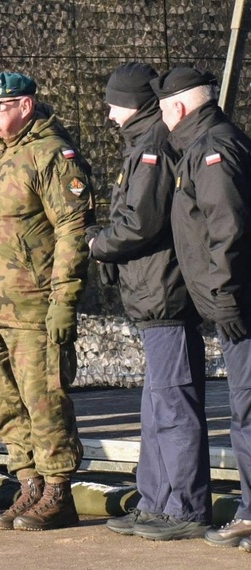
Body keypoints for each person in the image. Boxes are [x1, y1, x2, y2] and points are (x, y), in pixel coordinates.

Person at [0, 72, 93, 531]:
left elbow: (73, 232)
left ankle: (58, 491)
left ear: (26, 106)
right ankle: (29, 483)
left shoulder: (52, 155)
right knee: (3, 405)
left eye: (1, 105)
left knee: (44, 400)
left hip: (32, 308)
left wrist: (63, 300)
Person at [88, 63, 211, 541]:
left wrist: (99, 243)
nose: (108, 113)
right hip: (149, 293)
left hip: (164, 294)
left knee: (174, 404)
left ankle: (184, 506)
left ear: (135, 103)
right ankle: (156, 501)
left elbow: (141, 220)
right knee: (158, 406)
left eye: (115, 103)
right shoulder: (143, 144)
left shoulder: (153, 146)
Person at [149, 67, 251, 550]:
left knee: (248, 410)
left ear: (180, 107)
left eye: (164, 108)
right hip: (233, 303)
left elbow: (226, 226)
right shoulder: (203, 144)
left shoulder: (214, 149)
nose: (161, 117)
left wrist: (226, 295)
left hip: (241, 305)